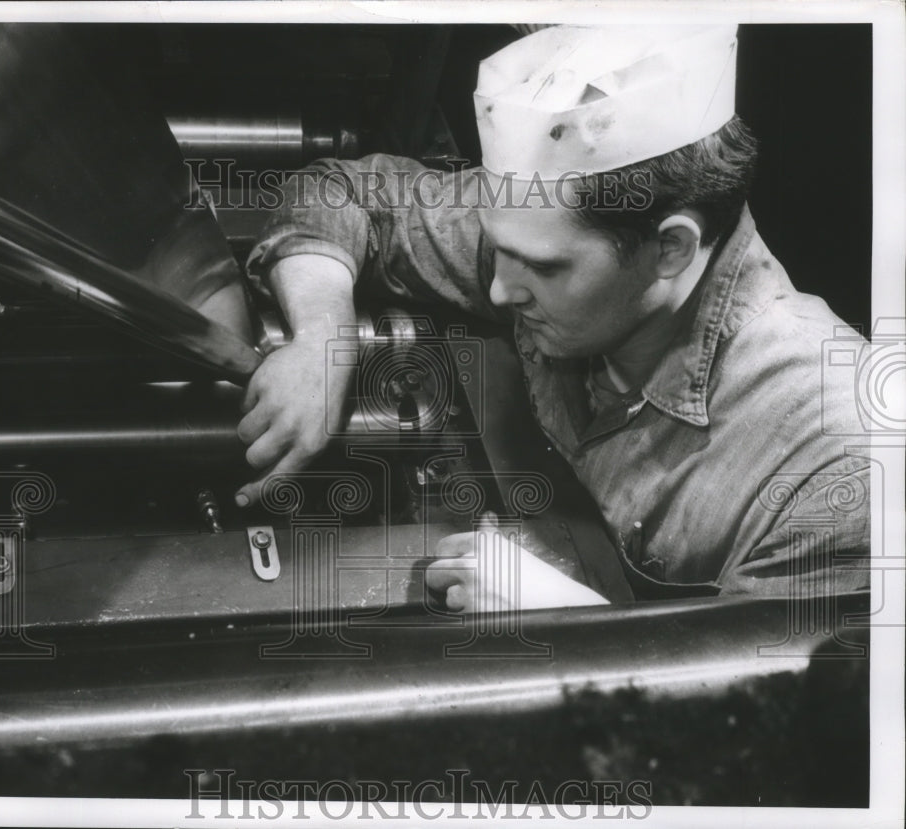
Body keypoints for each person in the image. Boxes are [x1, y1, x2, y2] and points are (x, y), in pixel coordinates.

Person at [235, 24, 870, 608]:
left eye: (542, 269)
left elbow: (793, 719)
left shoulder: (839, 461)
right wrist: (323, 340)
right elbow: (341, 194)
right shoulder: (542, 232)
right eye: (499, 249)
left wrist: (578, 624)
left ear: (669, 248)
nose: (502, 289)